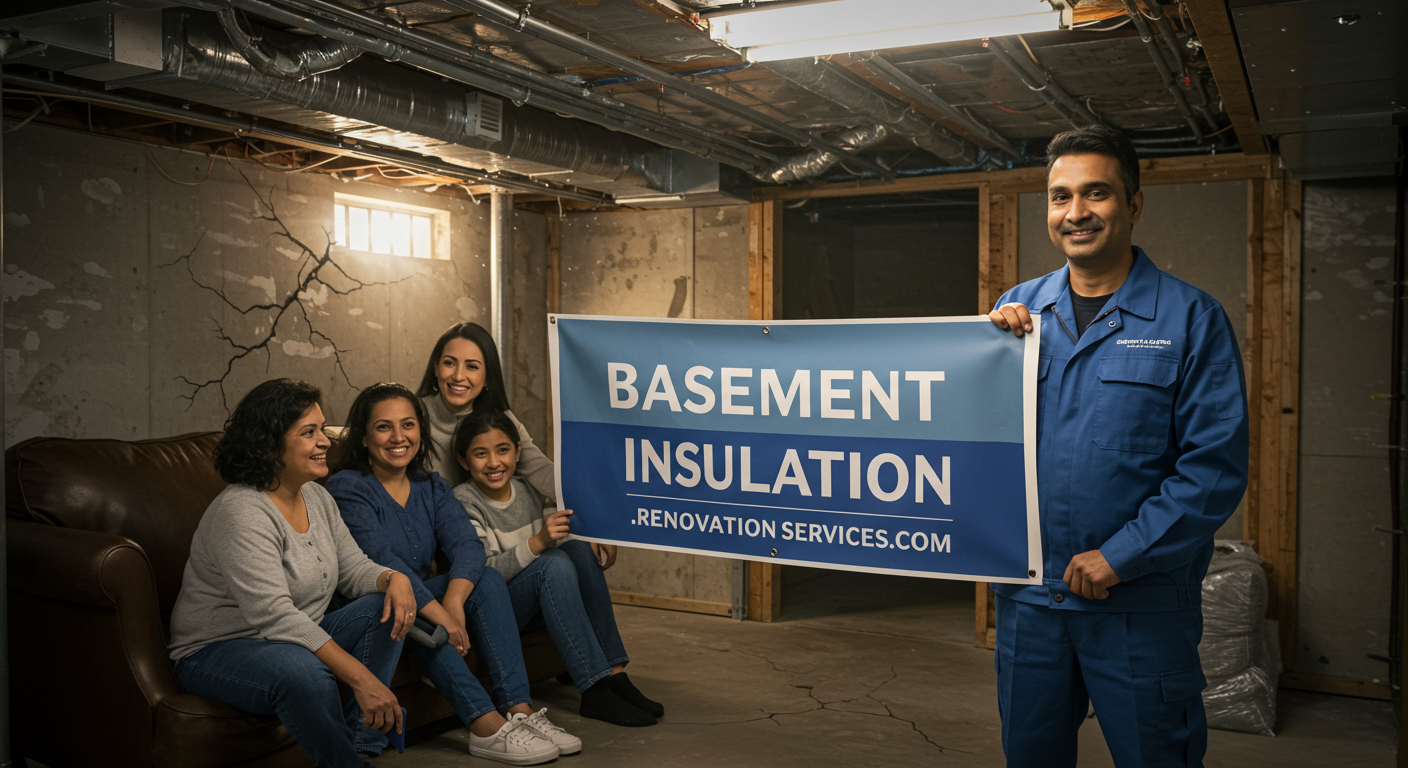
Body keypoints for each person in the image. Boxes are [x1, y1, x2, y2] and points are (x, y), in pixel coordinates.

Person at [987, 125, 1249, 768]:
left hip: (1138, 604)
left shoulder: (1191, 318)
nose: (1075, 212)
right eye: (1060, 196)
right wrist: (979, 351)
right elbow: (976, 443)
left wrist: (1123, 555)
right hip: (1030, 604)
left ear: (1133, 204)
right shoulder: (1017, 311)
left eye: (1096, 193)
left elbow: (1213, 468)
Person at [168, 379, 415, 768]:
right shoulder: (242, 511)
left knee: (383, 607)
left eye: (323, 429)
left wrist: (393, 579)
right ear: (269, 444)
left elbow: (353, 568)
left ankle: (359, 743)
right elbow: (275, 616)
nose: (326, 441)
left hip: (292, 638)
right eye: (309, 432)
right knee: (305, 672)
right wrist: (363, 679)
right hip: (218, 649)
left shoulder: (317, 495)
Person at [326, 382, 574, 764]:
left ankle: (519, 711)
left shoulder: (431, 485)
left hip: (422, 596)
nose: (398, 437)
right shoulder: (348, 487)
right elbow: (384, 560)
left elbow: (468, 546)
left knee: (487, 578)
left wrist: (454, 601)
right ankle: (484, 723)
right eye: (384, 427)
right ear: (363, 436)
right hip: (372, 604)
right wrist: (441, 614)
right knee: (408, 611)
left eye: (408, 425)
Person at [453, 408, 663, 727]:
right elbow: (482, 572)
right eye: (480, 454)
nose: (494, 462)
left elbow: (559, 540)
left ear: (517, 452)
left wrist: (593, 532)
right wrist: (538, 542)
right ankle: (593, 688)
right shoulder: (463, 499)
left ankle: (615, 674)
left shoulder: (528, 489)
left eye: (502, 450)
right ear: (463, 460)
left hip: (535, 598)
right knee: (551, 562)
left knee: (577, 549)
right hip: (497, 608)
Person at [416, 322, 619, 571]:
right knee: (554, 565)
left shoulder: (499, 420)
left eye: (472, 366)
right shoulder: (412, 418)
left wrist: (596, 520)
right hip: (437, 546)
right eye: (449, 363)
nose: (458, 376)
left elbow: (542, 471)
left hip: (492, 542)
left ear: (487, 377)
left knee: (579, 550)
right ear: (435, 368)